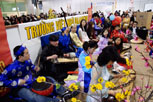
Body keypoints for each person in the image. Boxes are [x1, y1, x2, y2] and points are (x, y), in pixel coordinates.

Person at [0, 45, 74, 102]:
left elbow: (32, 66)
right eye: (27, 53)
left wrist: (35, 68)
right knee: (33, 97)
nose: (29, 54)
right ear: (20, 56)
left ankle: (64, 92)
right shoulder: (11, 68)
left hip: (31, 81)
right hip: (19, 88)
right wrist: (17, 82)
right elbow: (1, 81)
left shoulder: (27, 61)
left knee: (49, 79)